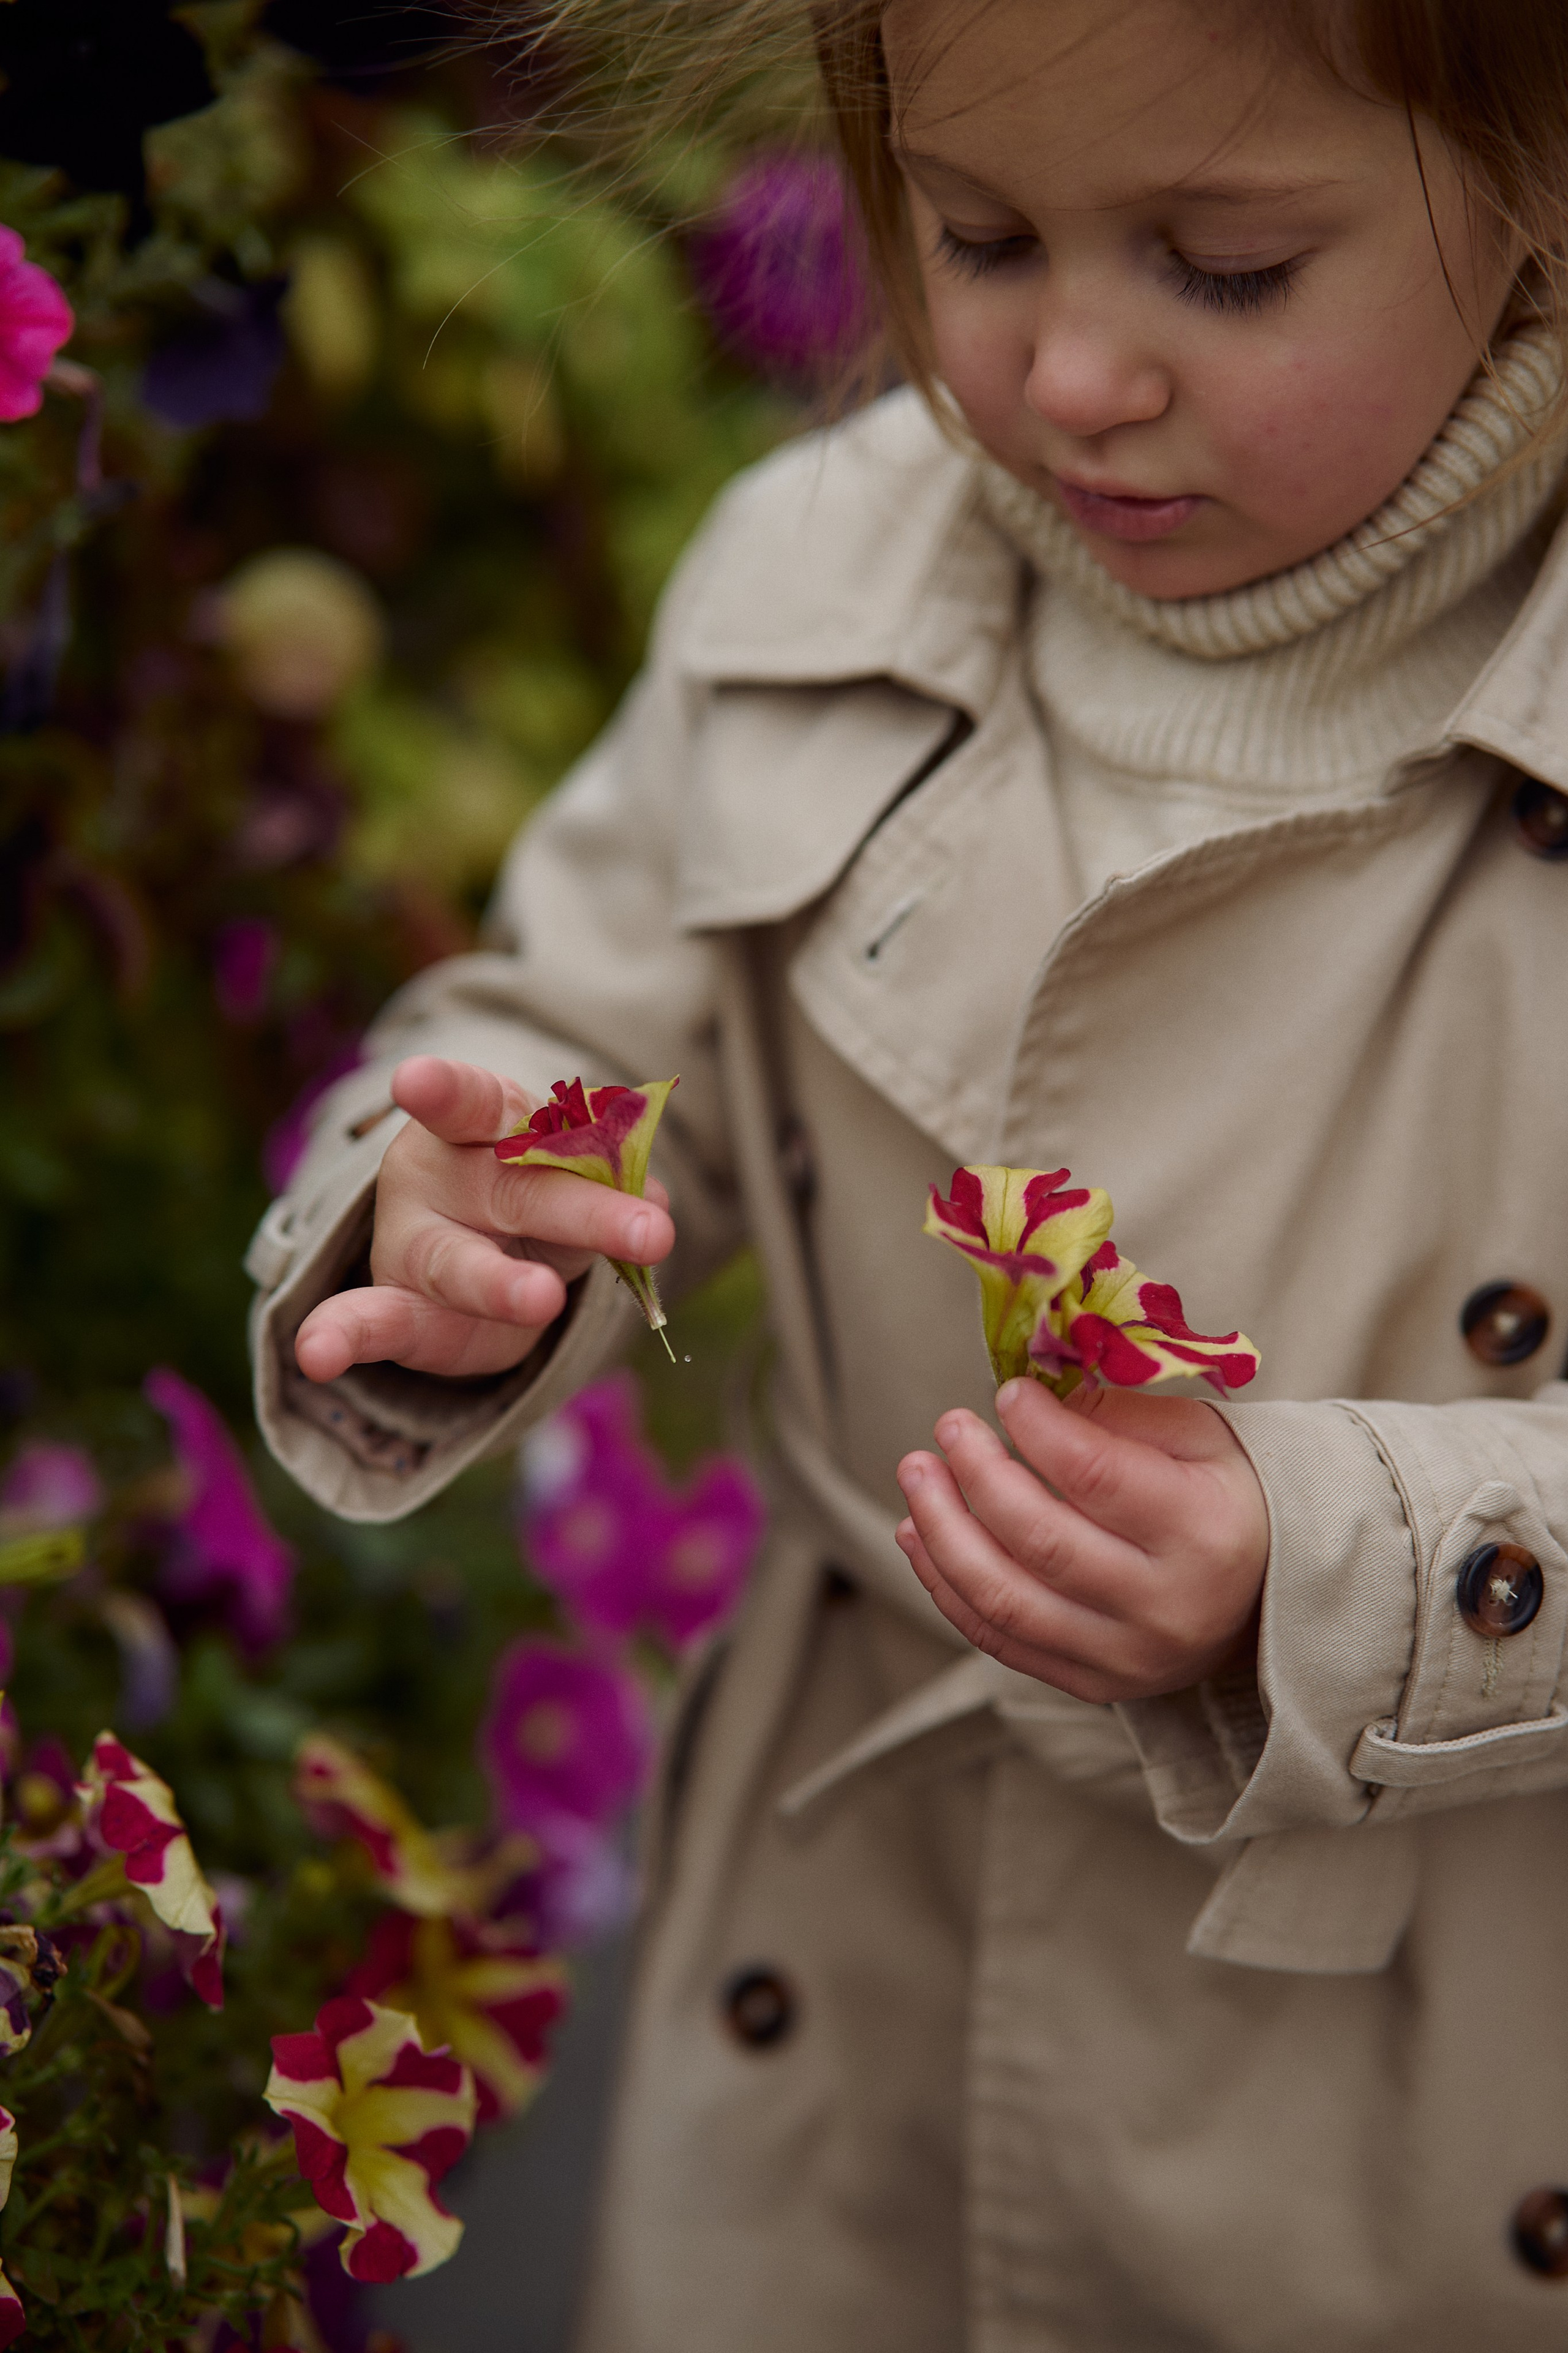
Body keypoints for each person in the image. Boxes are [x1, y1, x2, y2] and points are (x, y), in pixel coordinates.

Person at [248, 2, 1568, 2344]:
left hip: (1423, 2070)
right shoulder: (821, 581)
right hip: (856, 1988)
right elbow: (561, 1034)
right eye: (976, 234)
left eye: (1226, 268)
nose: (1068, 375)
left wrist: (1337, 1558)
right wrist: (445, 1213)